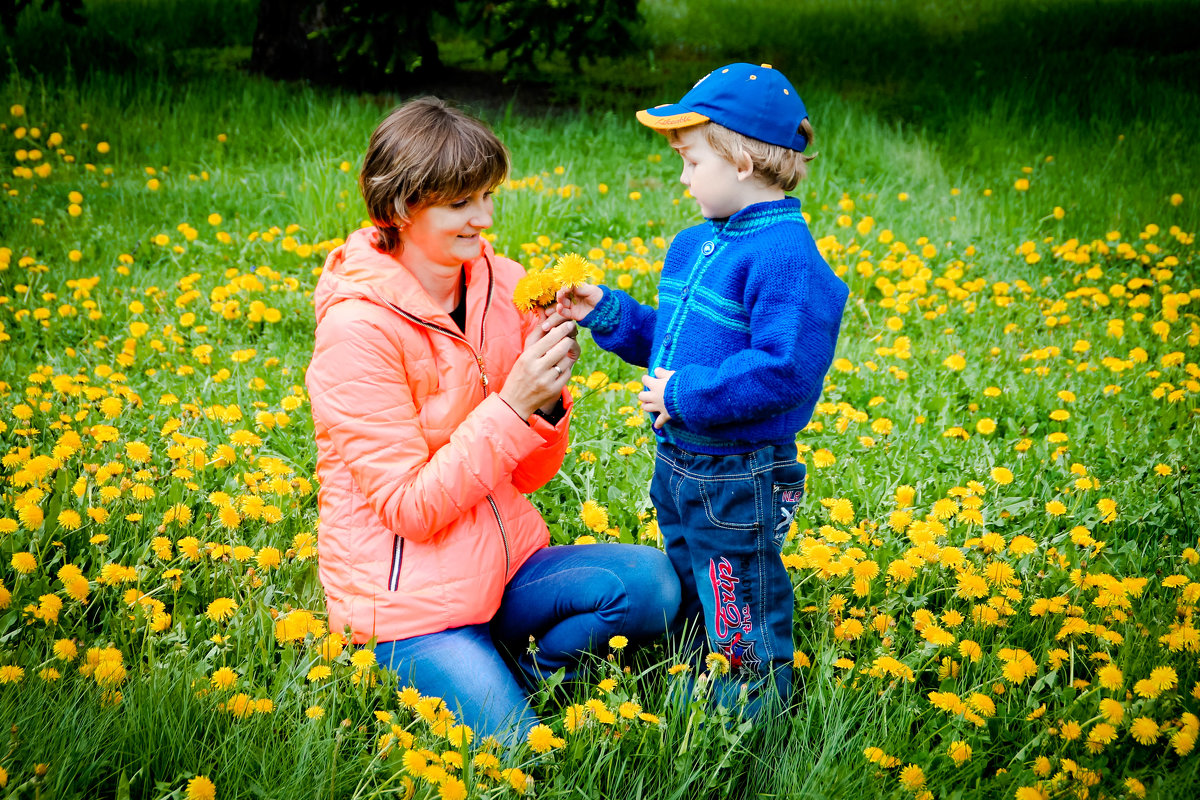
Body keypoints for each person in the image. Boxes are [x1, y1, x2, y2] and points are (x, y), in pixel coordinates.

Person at [306, 97, 680, 743]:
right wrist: (512, 404)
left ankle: (531, 674)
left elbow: (531, 474)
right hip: (408, 609)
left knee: (651, 585)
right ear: (399, 208)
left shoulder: (502, 284)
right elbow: (408, 509)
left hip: (505, 568)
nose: (484, 218)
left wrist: (548, 399)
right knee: (515, 760)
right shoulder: (355, 330)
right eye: (461, 204)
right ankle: (487, 690)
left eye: (487, 195)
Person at [556, 64, 849, 709]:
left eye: (691, 162)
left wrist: (684, 394)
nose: (683, 179)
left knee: (735, 583)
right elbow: (669, 341)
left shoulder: (785, 259)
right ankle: (697, 667)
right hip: (681, 462)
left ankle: (752, 701)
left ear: (741, 160)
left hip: (738, 472)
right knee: (690, 567)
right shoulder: (694, 246)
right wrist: (605, 311)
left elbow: (782, 369)